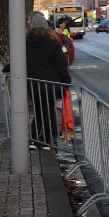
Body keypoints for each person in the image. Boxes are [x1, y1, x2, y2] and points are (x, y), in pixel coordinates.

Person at [25, 13, 71, 150]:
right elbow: (60, 65)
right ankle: (46, 140)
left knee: (39, 111)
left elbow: (20, 61)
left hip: (33, 85)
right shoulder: (53, 43)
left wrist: (7, 68)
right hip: (51, 85)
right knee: (49, 111)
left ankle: (34, 138)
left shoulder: (26, 43)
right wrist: (66, 80)